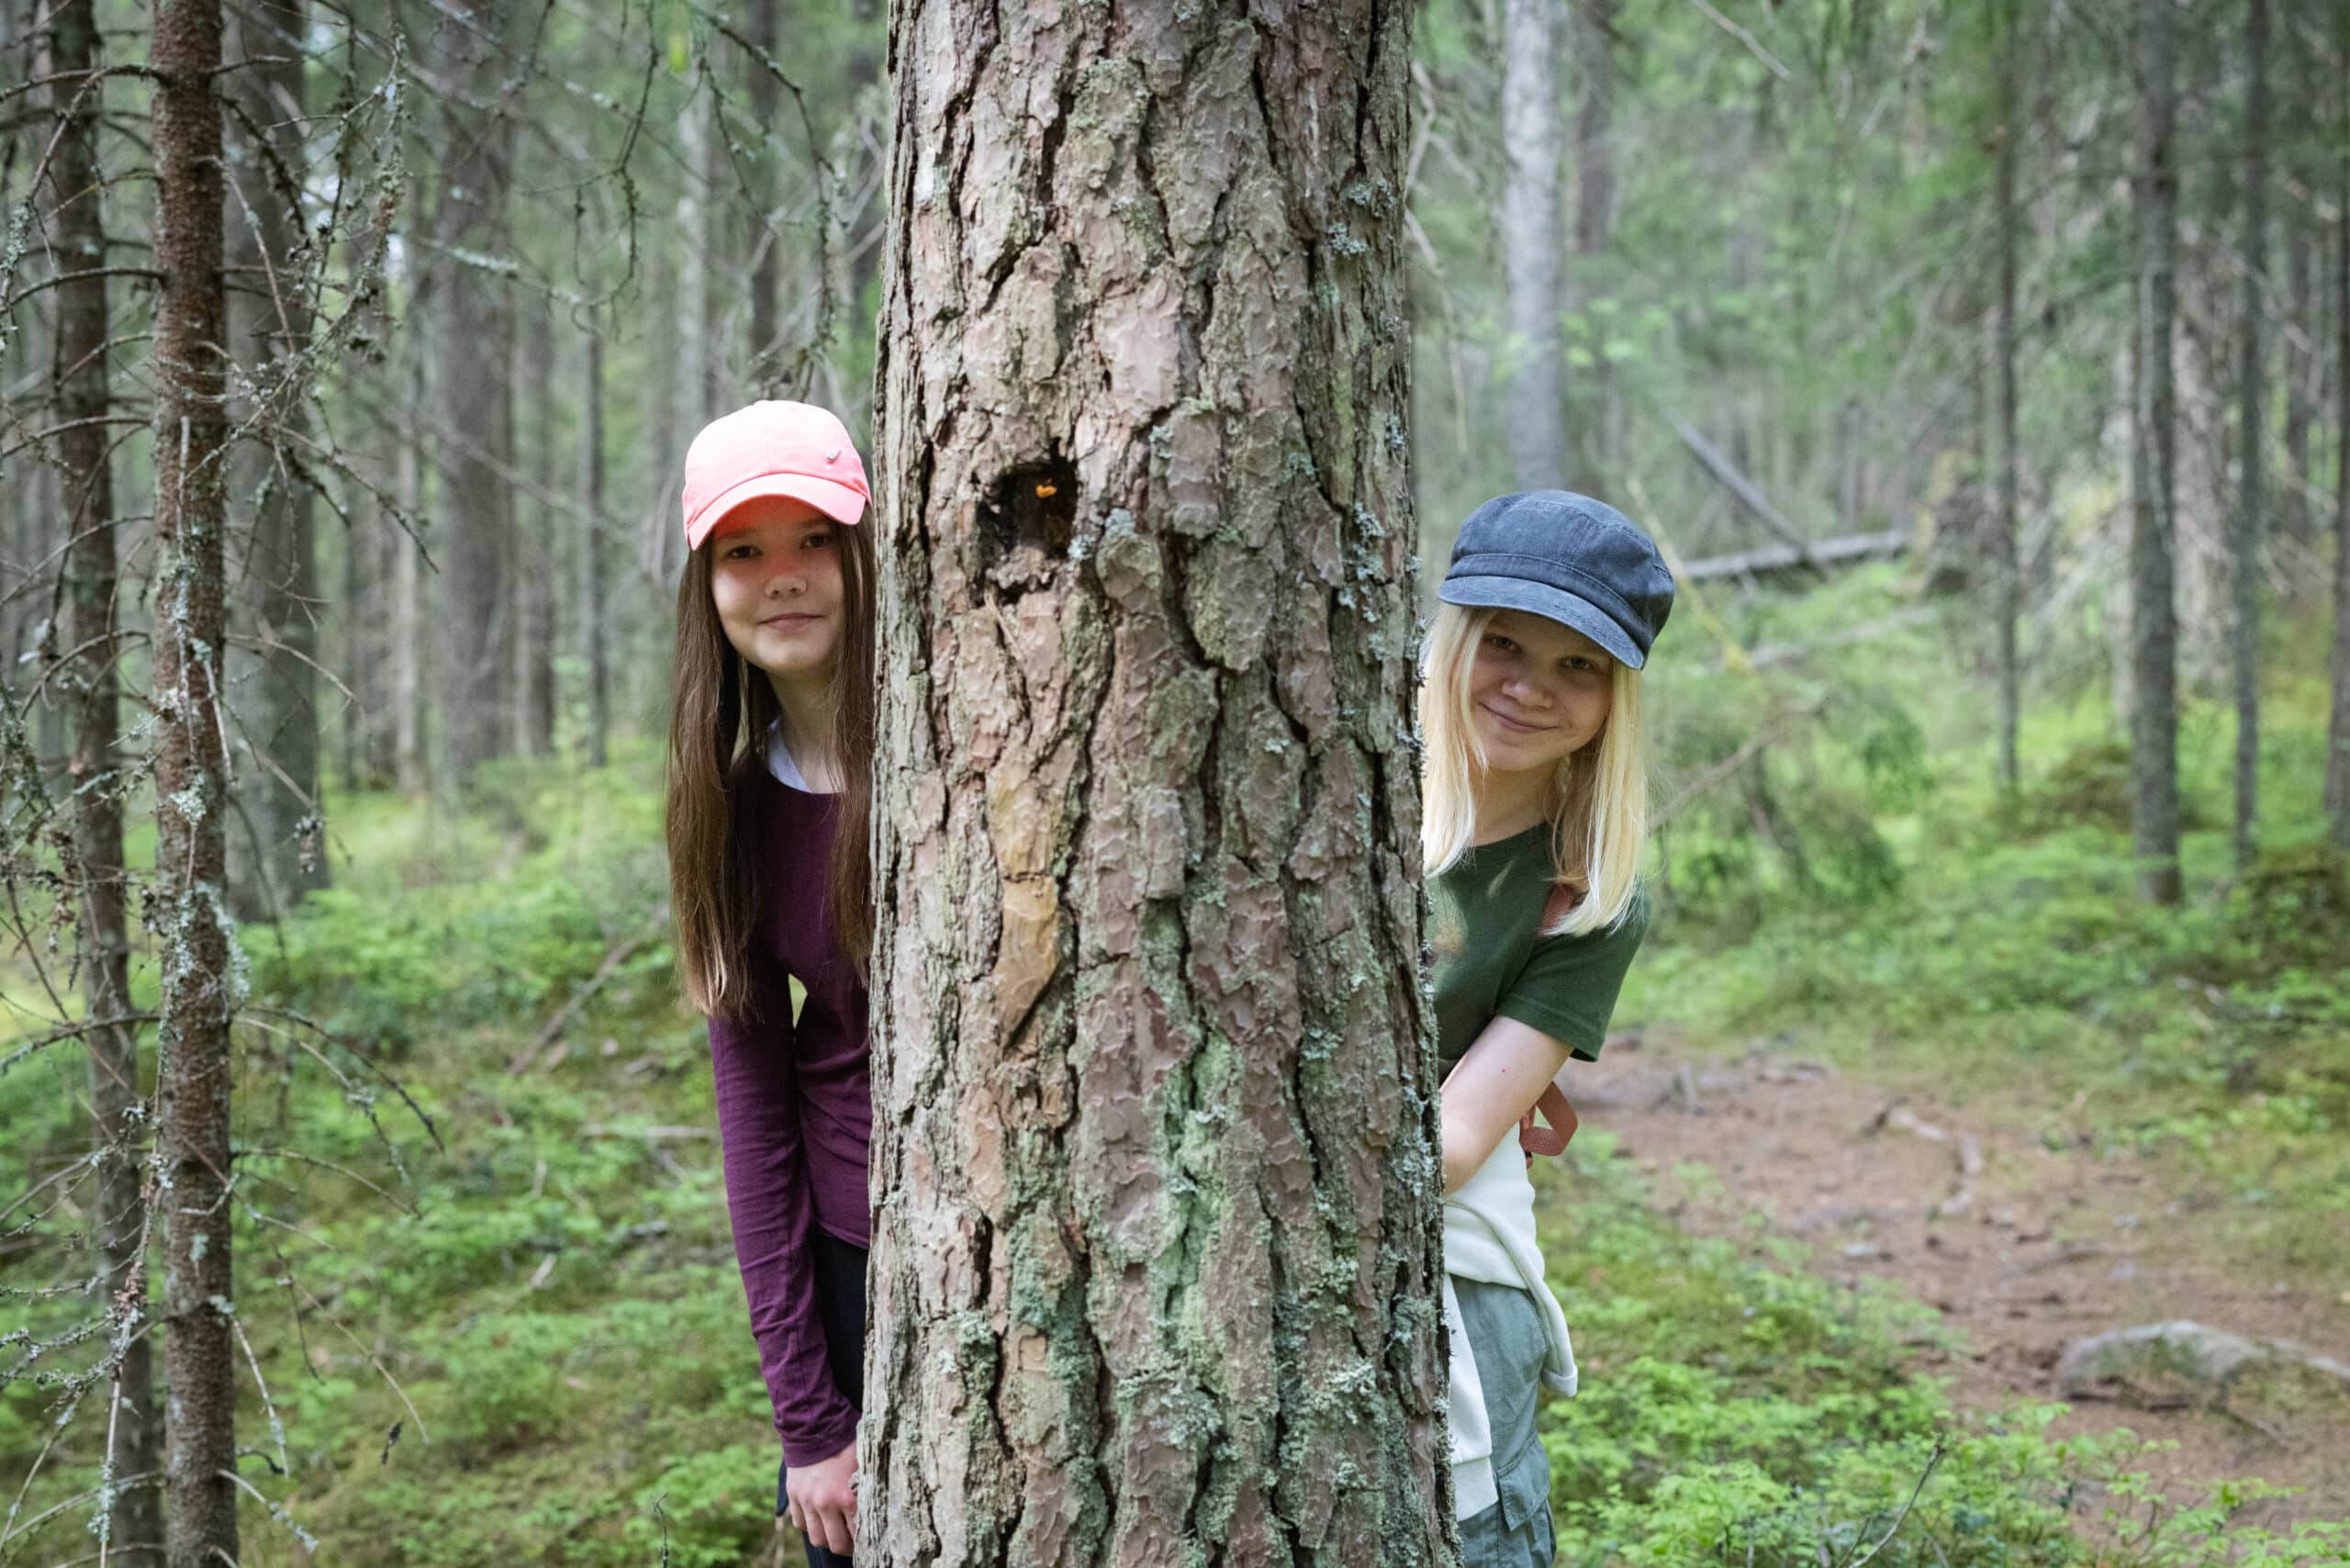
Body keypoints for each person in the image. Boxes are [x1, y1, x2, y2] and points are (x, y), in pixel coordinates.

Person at [1422, 490, 1673, 1567]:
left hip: (1452, 1266)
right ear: (1455, 640)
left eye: (1579, 667)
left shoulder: (1585, 891)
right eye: (1508, 644)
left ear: (1616, 698)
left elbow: (1454, 1140)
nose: (1533, 688)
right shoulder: (1328, 779)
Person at [665, 400, 877, 1565]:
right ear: (707, 585)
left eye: (814, 539)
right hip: (854, 1272)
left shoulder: (979, 741)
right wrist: (809, 1420)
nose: (782, 577)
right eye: (745, 550)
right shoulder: (731, 807)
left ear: (863, 552)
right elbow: (755, 1126)